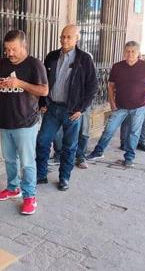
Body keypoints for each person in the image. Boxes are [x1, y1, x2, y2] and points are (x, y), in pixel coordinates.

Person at [0, 30, 48, 215]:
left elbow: (44, 91)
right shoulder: (3, 62)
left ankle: (30, 196)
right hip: (5, 120)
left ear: (24, 46)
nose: (9, 53)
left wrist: (20, 83)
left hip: (26, 122)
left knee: (27, 162)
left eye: (13, 49)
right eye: (7, 49)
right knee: (9, 159)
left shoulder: (34, 64)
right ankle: (13, 188)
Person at [36, 25, 98, 191]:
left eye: (69, 37)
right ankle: (40, 175)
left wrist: (81, 109)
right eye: (62, 36)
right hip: (52, 109)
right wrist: (42, 103)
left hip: (72, 112)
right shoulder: (52, 56)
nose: (64, 39)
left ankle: (64, 178)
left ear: (77, 38)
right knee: (42, 141)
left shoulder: (84, 59)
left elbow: (92, 87)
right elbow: (43, 81)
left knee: (69, 146)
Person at [87, 41, 145, 166]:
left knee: (134, 133)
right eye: (127, 51)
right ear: (123, 52)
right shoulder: (117, 66)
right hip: (120, 106)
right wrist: (111, 102)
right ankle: (98, 151)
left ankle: (129, 158)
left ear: (138, 53)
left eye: (133, 51)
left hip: (139, 106)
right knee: (109, 130)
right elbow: (111, 85)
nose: (130, 54)